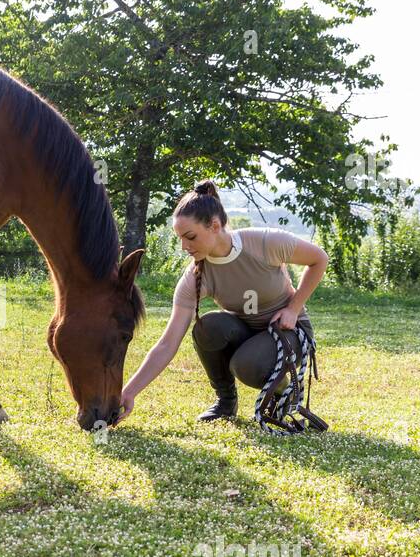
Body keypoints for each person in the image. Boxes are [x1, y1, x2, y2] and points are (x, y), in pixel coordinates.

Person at [120, 180, 329, 422]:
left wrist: (293, 309)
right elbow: (167, 344)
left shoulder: (264, 243)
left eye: (190, 237)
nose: (184, 246)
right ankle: (225, 402)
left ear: (215, 225)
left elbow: (319, 259)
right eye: (180, 238)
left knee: (246, 365)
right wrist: (129, 392)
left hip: (288, 331)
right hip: (247, 334)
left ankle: (285, 392)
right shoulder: (195, 276)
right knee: (207, 327)